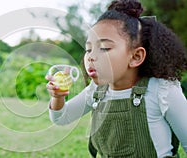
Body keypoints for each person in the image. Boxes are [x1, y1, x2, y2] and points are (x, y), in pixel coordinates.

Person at [46, 0, 187, 157]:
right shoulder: (96, 91)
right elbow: (62, 118)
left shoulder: (161, 90)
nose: (91, 57)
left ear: (136, 56)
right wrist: (57, 97)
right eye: (88, 49)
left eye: (104, 48)